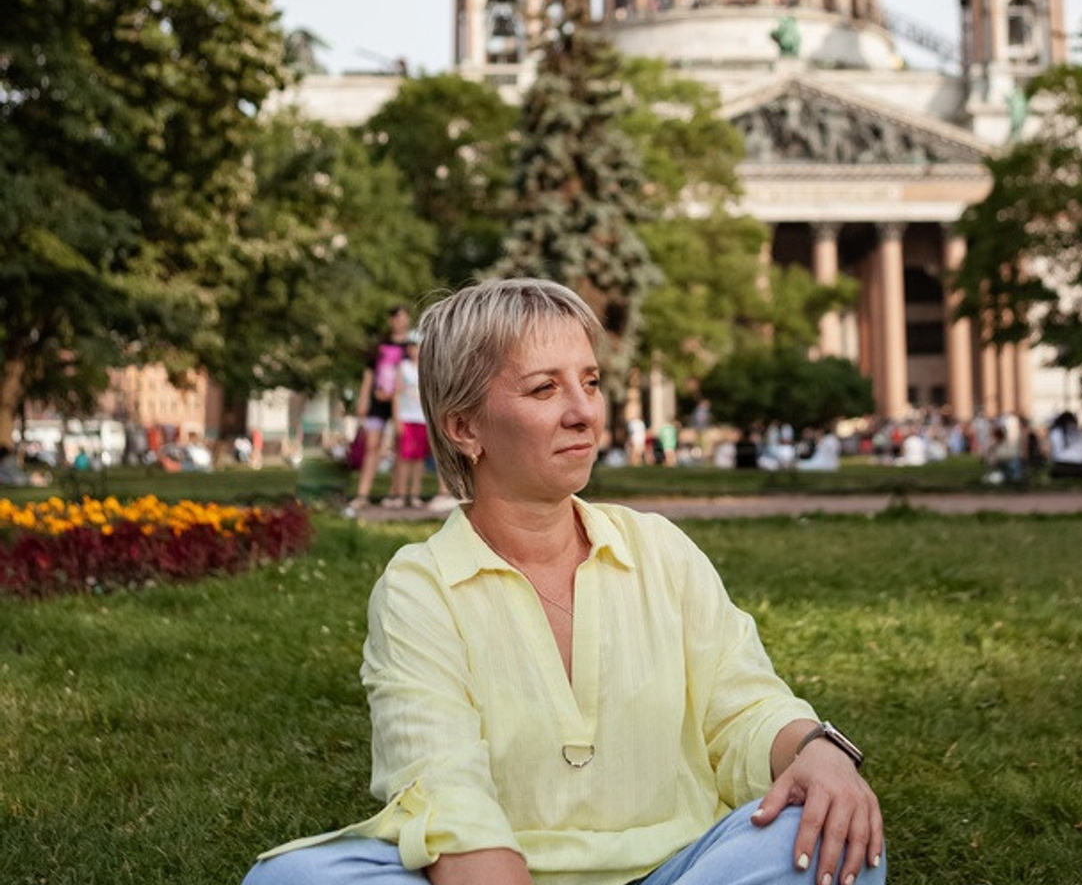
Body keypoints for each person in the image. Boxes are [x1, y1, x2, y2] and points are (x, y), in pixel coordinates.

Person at [243, 277, 885, 885]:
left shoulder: (658, 549)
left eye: (591, 382)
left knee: (827, 832)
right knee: (291, 879)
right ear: (465, 427)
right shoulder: (422, 586)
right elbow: (444, 790)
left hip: (682, 868)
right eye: (544, 389)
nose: (583, 412)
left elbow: (745, 707)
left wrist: (816, 750)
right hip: (494, 870)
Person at [346, 304, 412, 516]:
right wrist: (363, 398)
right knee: (372, 445)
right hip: (378, 402)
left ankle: (395, 494)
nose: (398, 321)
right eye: (394, 317)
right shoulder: (380, 345)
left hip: (401, 403)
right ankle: (362, 494)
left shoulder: (412, 347)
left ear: (408, 320)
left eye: (402, 317)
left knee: (399, 446)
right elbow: (369, 373)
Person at [383, 335, 430, 511]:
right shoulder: (402, 368)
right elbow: (397, 394)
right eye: (411, 346)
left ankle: (415, 494)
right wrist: (397, 419)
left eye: (417, 346)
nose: (414, 350)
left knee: (419, 459)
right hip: (406, 418)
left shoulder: (426, 369)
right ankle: (401, 495)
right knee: (403, 458)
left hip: (422, 419)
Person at [1046, 411, 1082, 479]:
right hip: (1081, 469)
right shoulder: (1081, 432)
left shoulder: (1055, 432)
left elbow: (1048, 450)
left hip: (1061, 468)